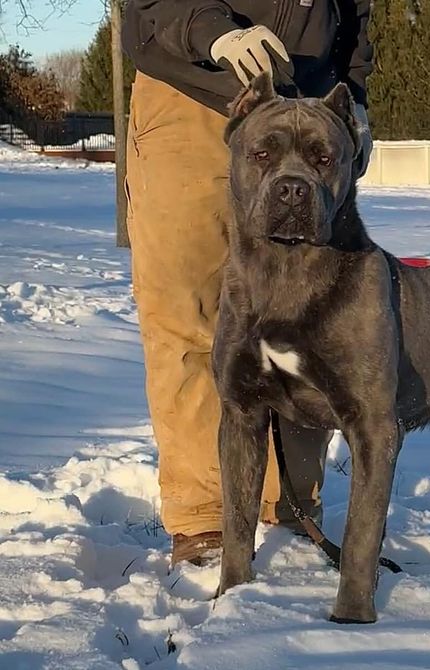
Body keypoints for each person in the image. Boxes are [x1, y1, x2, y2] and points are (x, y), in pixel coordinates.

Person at [121, 0, 374, 566]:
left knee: (313, 320)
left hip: (307, 102)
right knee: (189, 310)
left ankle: (290, 509)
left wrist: (352, 94)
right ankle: (207, 518)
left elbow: (356, 13)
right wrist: (211, 31)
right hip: (192, 91)